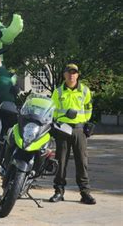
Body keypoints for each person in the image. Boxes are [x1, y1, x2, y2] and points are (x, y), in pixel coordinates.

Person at [49, 63, 96, 205]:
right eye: (69, 72)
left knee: (82, 162)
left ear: (78, 74)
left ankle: (85, 193)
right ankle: (59, 191)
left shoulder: (85, 91)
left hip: (79, 130)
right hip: (62, 129)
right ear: (64, 74)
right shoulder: (58, 92)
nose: (71, 75)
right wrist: (54, 124)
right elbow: (52, 110)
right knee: (60, 161)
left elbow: (88, 108)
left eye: (74, 72)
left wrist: (85, 122)